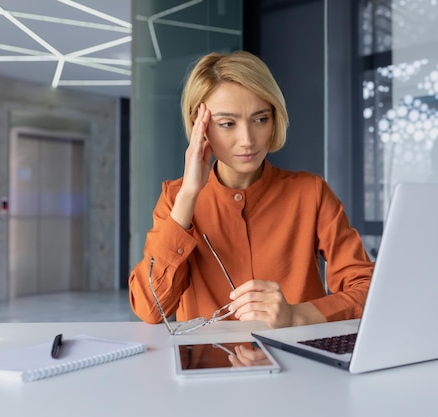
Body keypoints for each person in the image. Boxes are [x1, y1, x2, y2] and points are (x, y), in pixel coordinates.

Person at [128, 50, 374, 329]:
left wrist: (296, 316)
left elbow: (368, 291)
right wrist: (188, 196)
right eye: (227, 124)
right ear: (201, 126)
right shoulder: (176, 199)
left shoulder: (311, 193)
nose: (247, 140)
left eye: (260, 119)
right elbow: (150, 309)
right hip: (208, 366)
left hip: (300, 365)